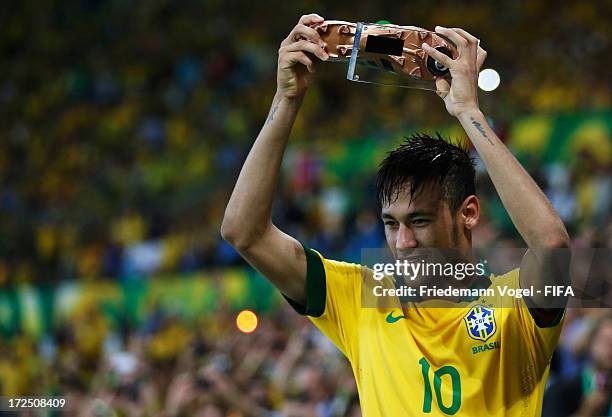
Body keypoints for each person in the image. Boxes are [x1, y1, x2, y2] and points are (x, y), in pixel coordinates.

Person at [221, 13, 570, 416]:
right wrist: (287, 99)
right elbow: (242, 232)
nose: (402, 244)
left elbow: (552, 244)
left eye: (419, 221)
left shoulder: (514, 307)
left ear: (468, 212)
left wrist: (466, 110)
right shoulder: (363, 298)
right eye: (392, 224)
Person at [543, 314, 612, 417]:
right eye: (606, 341)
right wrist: (586, 412)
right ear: (590, 343)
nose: (610, 349)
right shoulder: (563, 390)